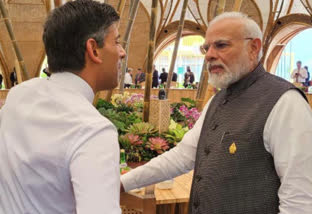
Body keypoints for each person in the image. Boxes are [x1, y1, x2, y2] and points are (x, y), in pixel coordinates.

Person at [121, 12, 312, 214]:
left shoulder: (284, 102)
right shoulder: (217, 100)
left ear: (253, 48)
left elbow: (299, 200)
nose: (209, 55)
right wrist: (123, 183)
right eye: (206, 47)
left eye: (221, 45)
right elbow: (181, 157)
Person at [0, 1, 126, 213]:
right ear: (94, 50)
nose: (122, 52)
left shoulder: (20, 95)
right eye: (117, 42)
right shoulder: (93, 130)